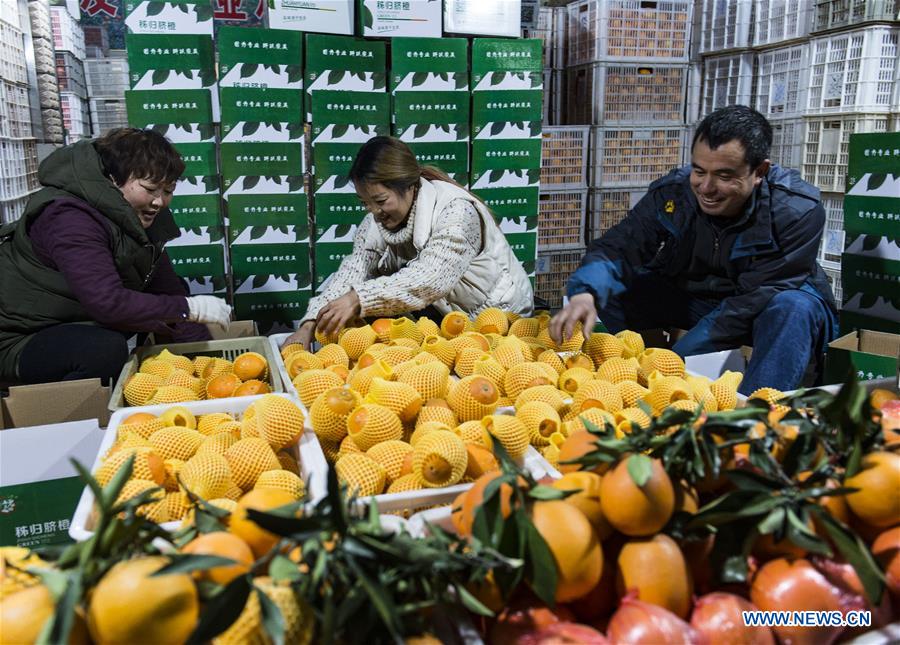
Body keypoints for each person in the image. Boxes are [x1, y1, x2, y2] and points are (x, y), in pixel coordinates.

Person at [550, 105, 838, 395]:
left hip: (759, 309)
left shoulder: (796, 210)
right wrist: (585, 292)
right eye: (699, 171)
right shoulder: (675, 193)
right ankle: (624, 381)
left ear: (759, 171)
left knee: (793, 308)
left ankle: (756, 417)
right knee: (615, 286)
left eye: (725, 176)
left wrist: (677, 359)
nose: (706, 188)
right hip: (695, 298)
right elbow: (622, 244)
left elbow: (754, 299)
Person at [0, 128, 232, 386]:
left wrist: (208, 369)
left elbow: (166, 287)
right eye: (150, 188)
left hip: (79, 318)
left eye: (168, 190)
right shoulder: (68, 217)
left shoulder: (143, 211)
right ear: (113, 179)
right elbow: (106, 303)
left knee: (174, 302)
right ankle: (71, 418)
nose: (159, 201)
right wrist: (190, 309)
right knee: (103, 350)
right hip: (23, 336)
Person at [283, 136, 533, 349]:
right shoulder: (376, 221)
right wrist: (309, 324)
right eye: (365, 202)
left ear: (410, 186)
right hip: (450, 320)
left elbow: (429, 279)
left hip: (499, 318)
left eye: (380, 201)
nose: (373, 211)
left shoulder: (457, 212)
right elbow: (353, 271)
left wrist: (358, 298)